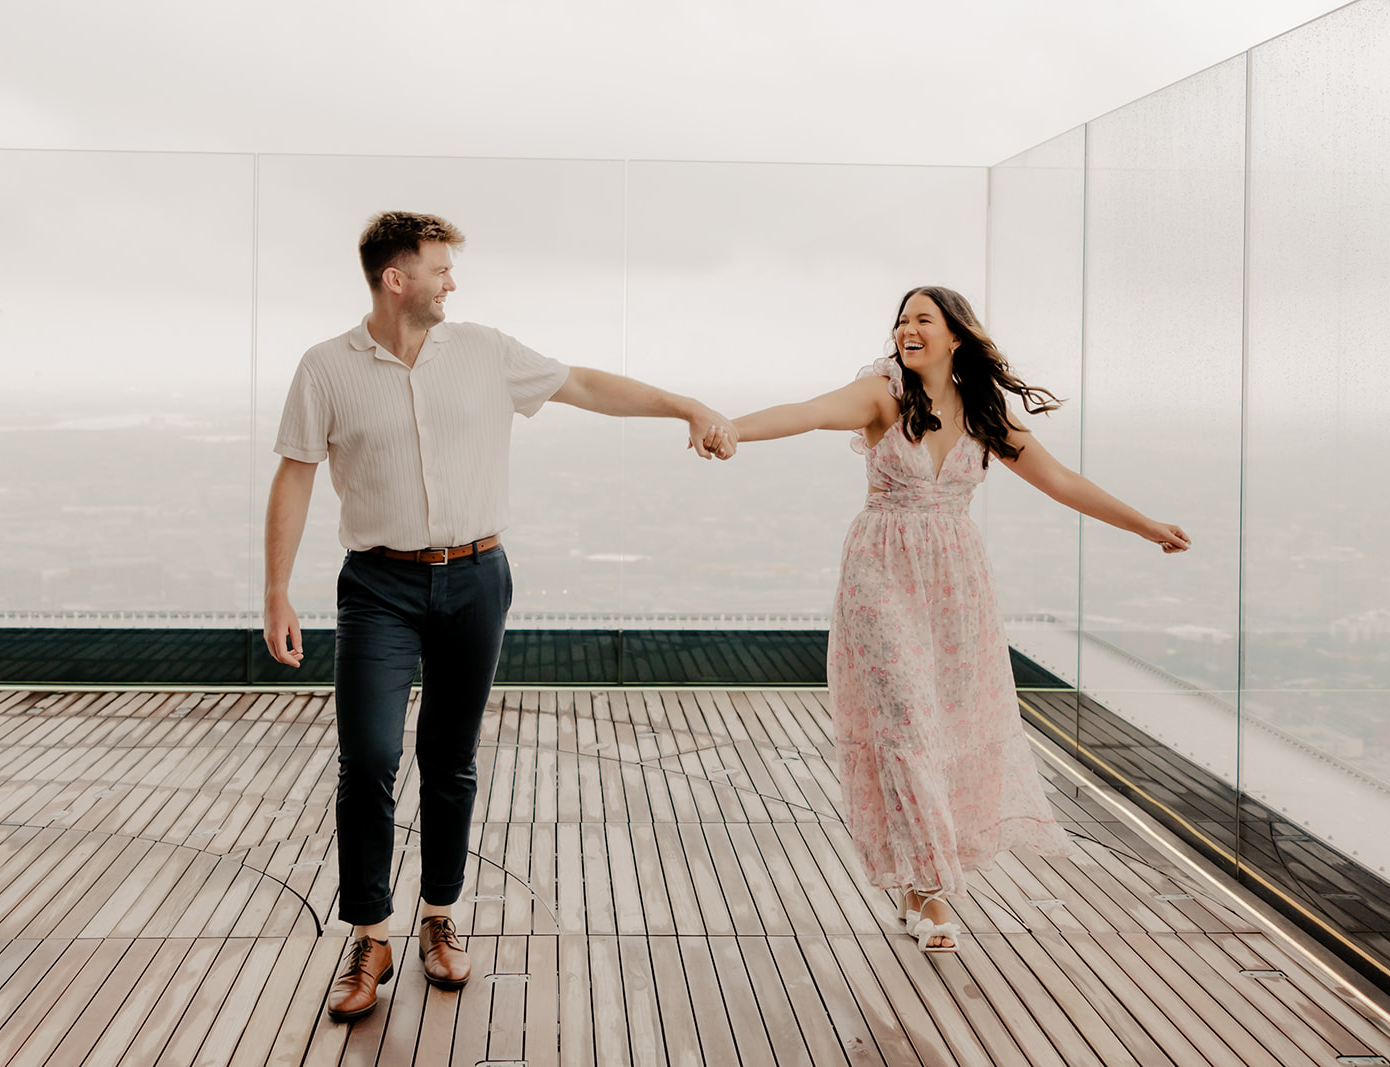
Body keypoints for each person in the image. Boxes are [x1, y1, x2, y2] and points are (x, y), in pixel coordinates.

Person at [264, 211, 736, 1021]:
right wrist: (275, 589)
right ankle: (369, 934)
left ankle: (438, 918)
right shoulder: (325, 368)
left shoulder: (485, 352)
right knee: (368, 757)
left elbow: (585, 384)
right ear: (395, 279)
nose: (454, 281)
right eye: (441, 269)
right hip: (377, 586)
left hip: (478, 578)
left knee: (449, 757)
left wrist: (683, 403)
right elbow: (296, 473)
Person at [727, 285, 1188, 951]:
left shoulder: (982, 411)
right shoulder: (882, 394)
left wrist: (1145, 526)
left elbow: (1060, 481)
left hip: (957, 585)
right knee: (908, 725)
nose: (907, 329)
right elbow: (806, 412)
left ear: (956, 336)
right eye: (902, 319)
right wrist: (732, 428)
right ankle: (936, 891)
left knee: (943, 729)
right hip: (882, 572)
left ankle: (917, 886)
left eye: (924, 319)